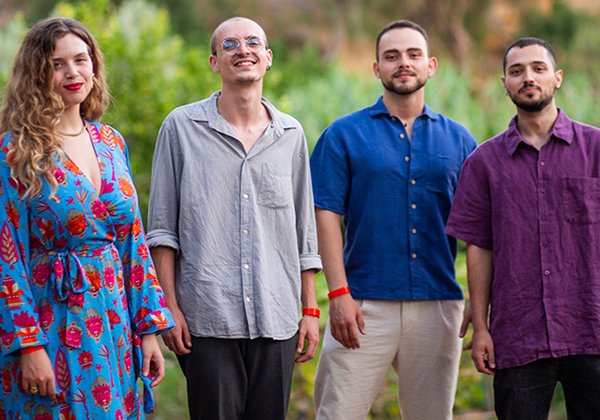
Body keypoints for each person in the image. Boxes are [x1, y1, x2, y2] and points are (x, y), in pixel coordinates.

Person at [146, 16, 322, 420]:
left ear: (268, 57)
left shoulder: (291, 134)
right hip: (207, 316)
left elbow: (304, 233)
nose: (243, 50)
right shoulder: (181, 128)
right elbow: (162, 231)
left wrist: (310, 309)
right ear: (214, 62)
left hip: (277, 317)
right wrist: (168, 307)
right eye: (230, 44)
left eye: (253, 42)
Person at [0, 17, 174, 420]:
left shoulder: (111, 142)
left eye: (81, 60)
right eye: (57, 64)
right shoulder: (14, 152)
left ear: (94, 66)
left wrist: (148, 330)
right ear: (36, 74)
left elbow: (133, 242)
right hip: (49, 321)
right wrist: (29, 345)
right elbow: (7, 257)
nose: (72, 72)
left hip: (113, 323)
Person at [310, 20, 477, 420]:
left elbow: (478, 229)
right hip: (362, 304)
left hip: (438, 304)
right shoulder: (343, 135)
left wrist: (480, 301)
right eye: (392, 56)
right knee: (337, 414)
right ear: (376, 68)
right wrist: (338, 294)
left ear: (431, 65)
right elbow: (324, 215)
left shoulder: (460, 140)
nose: (403, 63)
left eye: (413, 54)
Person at [445, 37, 600, 420]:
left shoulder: (596, 148)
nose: (528, 77)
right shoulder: (484, 162)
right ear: (505, 84)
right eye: (517, 71)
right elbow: (479, 247)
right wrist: (481, 327)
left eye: (537, 68)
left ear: (557, 77)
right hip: (518, 333)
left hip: (592, 326)